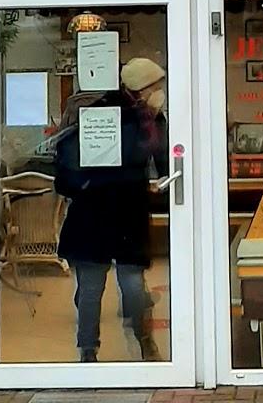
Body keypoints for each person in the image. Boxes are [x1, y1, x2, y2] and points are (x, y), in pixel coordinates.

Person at [53, 56, 169, 363]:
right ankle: (109, 347)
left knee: (100, 287)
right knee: (120, 285)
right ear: (142, 87)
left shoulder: (143, 118)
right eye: (157, 85)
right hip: (109, 210)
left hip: (102, 211)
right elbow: (158, 163)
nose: (160, 91)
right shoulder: (131, 118)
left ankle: (93, 351)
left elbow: (163, 163)